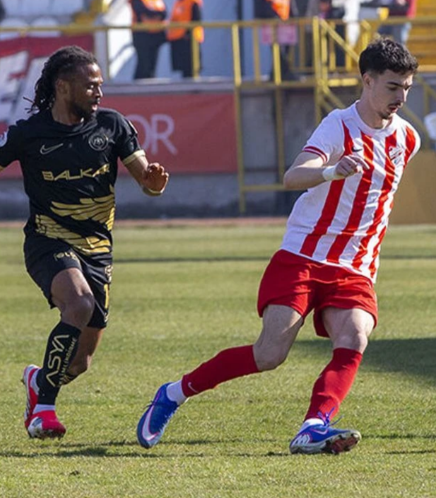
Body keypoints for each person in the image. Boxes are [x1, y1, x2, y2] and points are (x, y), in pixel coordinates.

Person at [136, 38, 420, 454]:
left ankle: (314, 426)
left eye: (407, 87)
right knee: (269, 354)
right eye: (393, 87)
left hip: (355, 266)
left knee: (355, 337)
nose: (401, 97)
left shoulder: (408, 139)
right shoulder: (339, 126)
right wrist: (331, 171)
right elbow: (293, 176)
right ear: (368, 80)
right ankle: (174, 393)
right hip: (303, 256)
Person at [0, 46, 170, 439]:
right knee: (79, 303)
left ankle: (38, 381)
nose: (99, 93)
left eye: (100, 85)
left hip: (98, 249)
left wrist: (154, 184)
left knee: (80, 362)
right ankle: (43, 411)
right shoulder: (28, 134)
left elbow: (147, 180)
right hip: (48, 240)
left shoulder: (112, 125)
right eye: (90, 86)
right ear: (62, 87)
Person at [131, 0, 167, 80]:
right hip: (141, 36)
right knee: (143, 64)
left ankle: (150, 83)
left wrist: (153, 14)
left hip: (156, 36)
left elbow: (164, 13)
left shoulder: (156, 1)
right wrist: (156, 15)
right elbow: (142, 11)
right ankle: (138, 85)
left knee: (152, 65)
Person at [167, 0, 203, 79]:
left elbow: (196, 19)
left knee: (191, 67)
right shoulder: (178, 3)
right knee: (184, 69)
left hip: (189, 40)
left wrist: (188, 33)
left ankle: (193, 83)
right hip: (180, 40)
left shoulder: (192, 2)